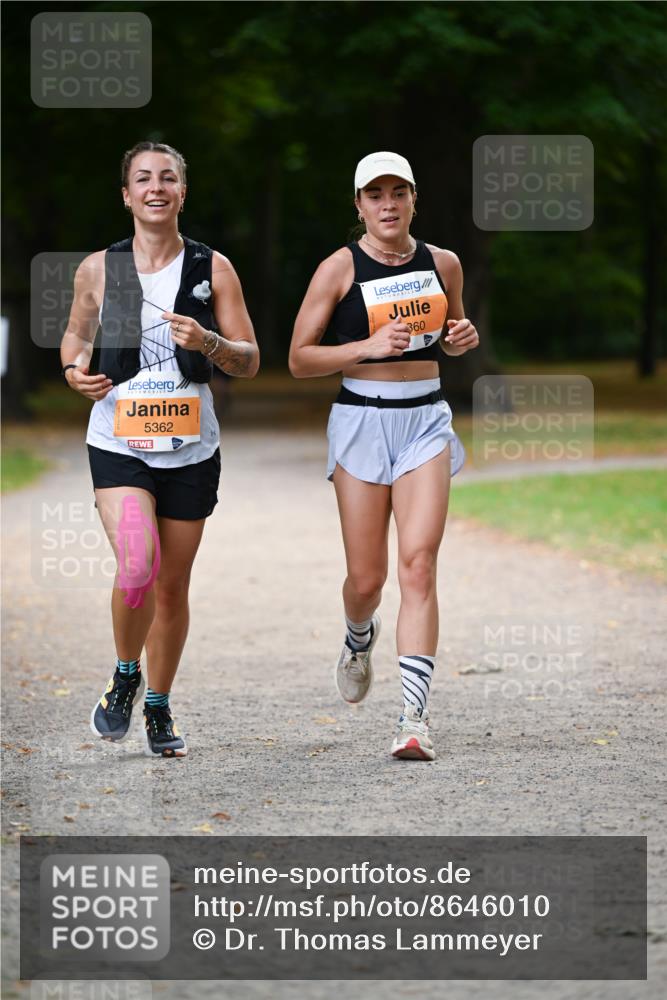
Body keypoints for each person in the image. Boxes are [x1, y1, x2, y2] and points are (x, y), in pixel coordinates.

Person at [60, 141, 259, 758]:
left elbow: (250, 360)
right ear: (126, 194)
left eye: (167, 178)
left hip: (191, 447)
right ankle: (125, 675)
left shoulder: (212, 267)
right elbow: (75, 333)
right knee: (138, 566)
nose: (155, 187)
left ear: (181, 193)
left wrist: (209, 340)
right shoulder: (99, 268)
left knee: (171, 586)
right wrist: (74, 369)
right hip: (117, 440)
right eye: (143, 179)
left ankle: (158, 703)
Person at [289, 151, 478, 761]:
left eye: (399, 192)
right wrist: (366, 347)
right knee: (366, 580)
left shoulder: (443, 263)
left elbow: (451, 334)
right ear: (359, 205)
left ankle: (414, 718)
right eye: (375, 195)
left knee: (418, 565)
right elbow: (297, 359)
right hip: (361, 420)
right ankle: (357, 633)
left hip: (425, 419)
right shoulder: (338, 269)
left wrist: (460, 337)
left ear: (414, 199)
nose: (388, 204)